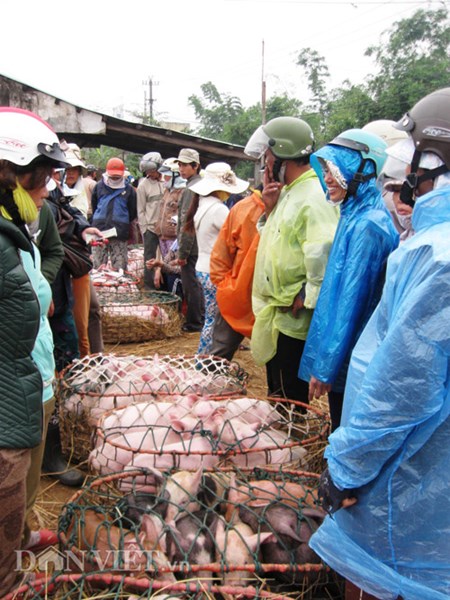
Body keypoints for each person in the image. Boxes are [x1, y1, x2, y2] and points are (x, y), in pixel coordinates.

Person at [311, 87, 450, 600]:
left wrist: (347, 471)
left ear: (432, 160)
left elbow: (403, 387)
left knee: (386, 578)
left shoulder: (439, 256)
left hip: (419, 476)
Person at [0, 106, 70, 594]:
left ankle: (21, 539)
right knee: (7, 480)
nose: (46, 191)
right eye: (39, 180)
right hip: (9, 378)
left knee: (25, 472)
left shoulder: (18, 224)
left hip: (31, 367)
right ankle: (7, 578)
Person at [299, 129, 399, 431]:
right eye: (326, 170)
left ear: (363, 171)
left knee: (346, 425)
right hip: (347, 349)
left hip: (356, 352)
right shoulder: (353, 214)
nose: (327, 177)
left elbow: (350, 303)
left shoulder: (369, 225)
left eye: (335, 169)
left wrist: (327, 366)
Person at [244, 116, 339, 403]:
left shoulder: (313, 196)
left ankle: (292, 443)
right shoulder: (290, 193)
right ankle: (282, 440)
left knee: (289, 397)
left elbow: (323, 251)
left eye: (268, 156)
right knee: (277, 391)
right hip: (279, 313)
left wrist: (306, 297)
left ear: (283, 155)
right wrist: (269, 209)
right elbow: (278, 238)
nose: (265, 163)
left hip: (294, 314)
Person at [184, 162, 248, 353]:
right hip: (215, 271)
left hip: (203, 268)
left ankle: (204, 358)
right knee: (214, 321)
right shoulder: (219, 209)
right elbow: (236, 236)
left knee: (211, 318)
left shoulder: (203, 204)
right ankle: (205, 360)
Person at [209, 183, 264, 360]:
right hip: (237, 298)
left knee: (278, 363)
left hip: (272, 301)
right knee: (219, 356)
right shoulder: (243, 209)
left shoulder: (289, 208)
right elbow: (220, 257)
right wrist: (228, 287)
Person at [175, 148, 205, 332]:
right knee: (197, 284)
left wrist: (183, 252)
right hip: (199, 244)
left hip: (192, 247)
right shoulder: (200, 185)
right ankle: (199, 318)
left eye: (185, 165)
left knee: (191, 285)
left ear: (195, 166)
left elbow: (187, 222)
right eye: (179, 164)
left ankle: (194, 322)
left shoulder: (192, 189)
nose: (181, 168)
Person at [91, 156, 137, 271]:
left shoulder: (129, 190)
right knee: (98, 265)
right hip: (99, 230)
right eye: (113, 176)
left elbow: (132, 211)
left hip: (119, 231)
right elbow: (94, 205)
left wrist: (121, 222)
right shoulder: (99, 187)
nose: (115, 178)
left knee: (120, 266)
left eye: (117, 176)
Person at [136, 151, 164, 288]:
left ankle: (165, 286)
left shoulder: (167, 182)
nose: (150, 174)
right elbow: (140, 210)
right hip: (150, 228)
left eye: (152, 170)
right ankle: (149, 289)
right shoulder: (143, 185)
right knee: (149, 259)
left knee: (166, 258)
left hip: (165, 229)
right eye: (147, 171)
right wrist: (144, 230)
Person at [156, 157, 186, 268]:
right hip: (163, 237)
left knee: (174, 269)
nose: (165, 178)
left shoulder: (182, 192)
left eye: (167, 175)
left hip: (174, 239)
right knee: (164, 267)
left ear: (176, 176)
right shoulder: (167, 191)